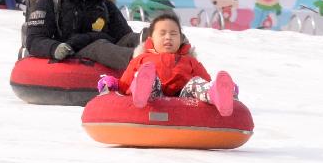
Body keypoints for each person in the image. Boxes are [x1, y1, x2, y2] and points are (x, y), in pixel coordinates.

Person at [101, 12, 238, 116]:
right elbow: (125, 85)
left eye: (173, 34)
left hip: (183, 100)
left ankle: (219, 97)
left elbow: (205, 81)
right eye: (162, 33)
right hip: (154, 98)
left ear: (180, 38)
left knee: (196, 82)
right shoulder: (141, 59)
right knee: (147, 77)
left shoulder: (190, 61)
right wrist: (113, 83)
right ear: (151, 39)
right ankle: (141, 91)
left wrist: (219, 88)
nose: (168, 37)